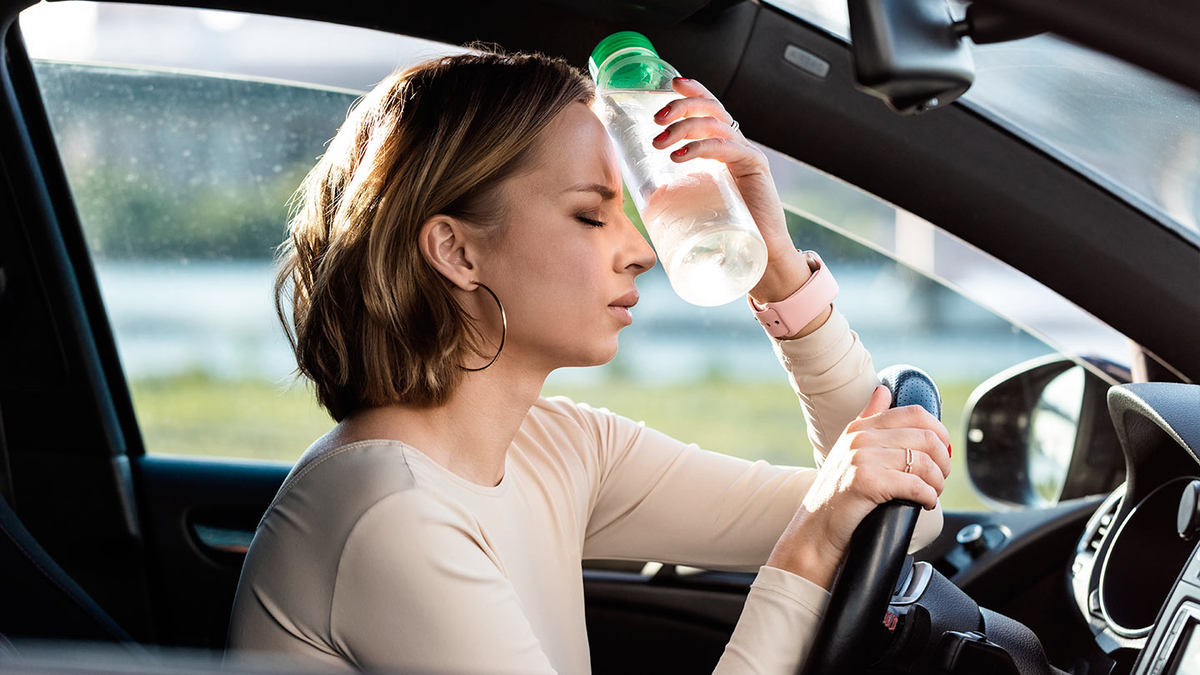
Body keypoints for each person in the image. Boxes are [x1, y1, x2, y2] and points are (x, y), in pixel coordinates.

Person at [225, 47, 951, 675]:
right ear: (457, 250)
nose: (639, 250)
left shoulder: (559, 447)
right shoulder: (387, 514)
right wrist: (814, 539)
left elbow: (895, 519)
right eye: (590, 214)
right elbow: (836, 525)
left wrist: (778, 267)